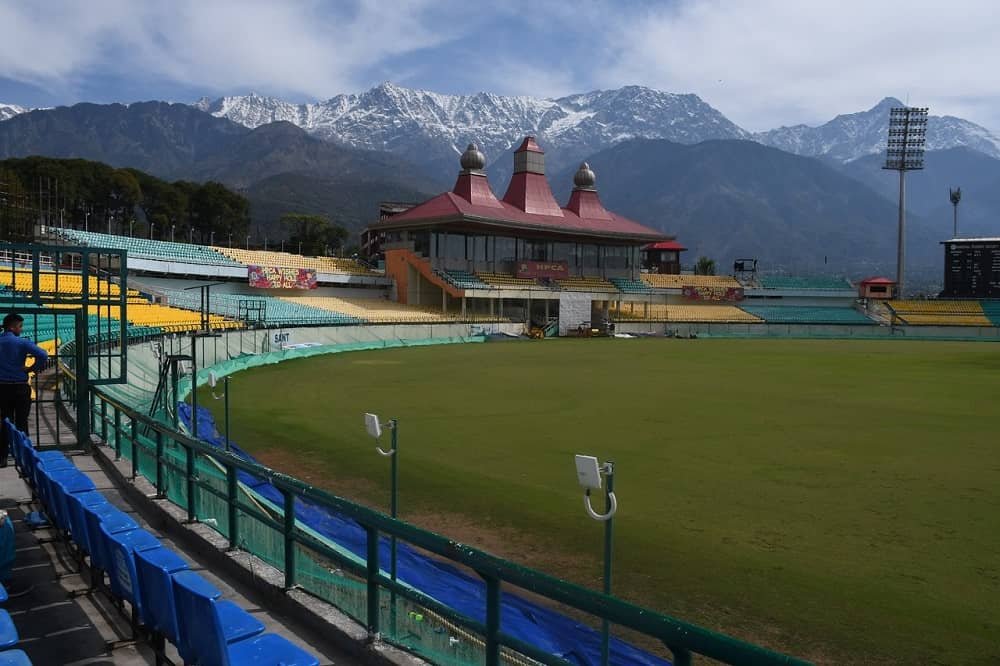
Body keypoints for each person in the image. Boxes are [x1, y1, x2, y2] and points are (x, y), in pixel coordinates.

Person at [0, 313, 48, 467]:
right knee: (22, 422)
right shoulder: (21, 342)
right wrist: (30, 369)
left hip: (2, 387)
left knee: (4, 422)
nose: (21, 329)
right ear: (12, 326)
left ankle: (2, 457)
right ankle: (24, 456)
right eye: (20, 326)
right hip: (20, 386)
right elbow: (43, 355)